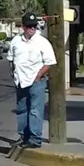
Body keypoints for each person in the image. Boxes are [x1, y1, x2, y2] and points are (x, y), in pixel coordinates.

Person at [7, 13, 56, 149]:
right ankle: (24, 136)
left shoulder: (42, 42)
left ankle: (35, 139)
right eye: (29, 26)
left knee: (35, 110)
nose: (32, 29)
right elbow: (11, 59)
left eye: (34, 26)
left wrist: (38, 76)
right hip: (20, 81)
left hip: (36, 82)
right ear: (23, 27)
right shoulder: (16, 41)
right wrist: (13, 73)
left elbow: (49, 62)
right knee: (22, 110)